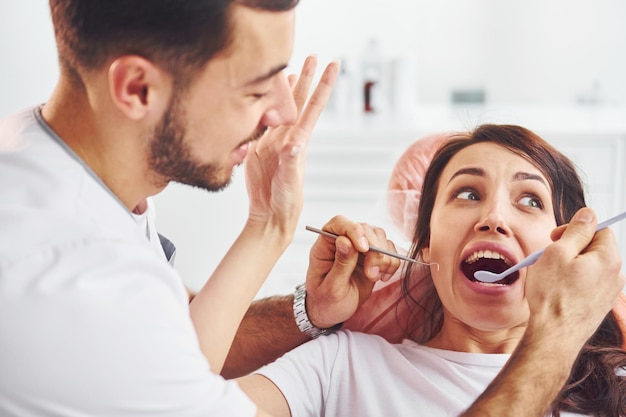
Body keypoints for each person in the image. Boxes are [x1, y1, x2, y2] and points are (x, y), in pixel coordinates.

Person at [0, 1, 621, 416]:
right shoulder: (65, 286)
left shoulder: (62, 174)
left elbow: (168, 350)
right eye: (256, 85)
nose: (283, 112)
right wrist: (558, 332)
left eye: (530, 199)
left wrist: (270, 229)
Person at [235, 124, 626, 416]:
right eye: (468, 193)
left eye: (530, 200)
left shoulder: (616, 394)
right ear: (425, 243)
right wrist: (266, 228)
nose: (493, 217)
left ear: (567, 248)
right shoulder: (339, 368)